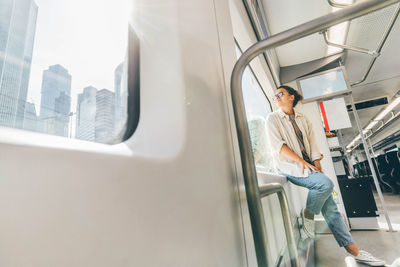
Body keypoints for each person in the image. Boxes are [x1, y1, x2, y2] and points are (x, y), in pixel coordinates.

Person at [265, 85, 385, 266]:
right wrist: (301, 162)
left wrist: (317, 165)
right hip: (288, 166)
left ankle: (354, 251)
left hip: (308, 166)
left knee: (331, 209)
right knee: (325, 185)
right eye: (275, 96)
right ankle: (308, 218)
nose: (276, 97)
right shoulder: (272, 118)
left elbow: (313, 144)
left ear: (291, 97)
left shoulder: (303, 118)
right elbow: (278, 146)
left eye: (280, 94)